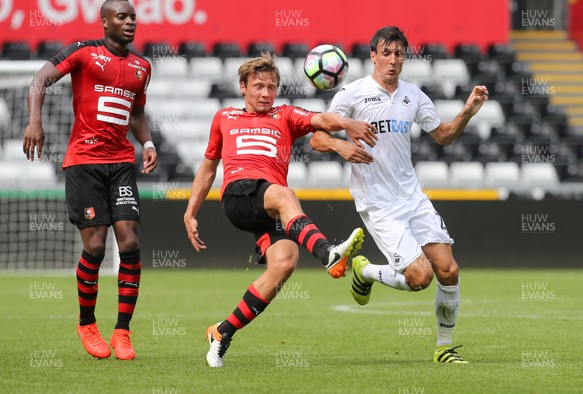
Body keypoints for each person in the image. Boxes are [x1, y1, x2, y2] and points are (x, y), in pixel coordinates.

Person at [183, 52, 378, 368]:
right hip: (238, 194)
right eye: (258, 86)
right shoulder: (224, 118)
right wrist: (191, 212)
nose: (265, 93)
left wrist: (346, 123)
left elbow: (321, 120)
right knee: (286, 194)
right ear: (243, 87)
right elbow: (207, 169)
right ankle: (328, 254)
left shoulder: (285, 115)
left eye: (271, 87)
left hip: (268, 206)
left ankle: (221, 333)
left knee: (284, 265)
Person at [310, 26, 489, 364]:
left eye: (399, 54)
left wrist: (468, 111)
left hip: (413, 198)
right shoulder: (351, 94)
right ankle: (364, 272)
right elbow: (316, 139)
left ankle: (443, 348)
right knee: (420, 277)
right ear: (373, 56)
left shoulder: (414, 96)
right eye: (386, 53)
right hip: (378, 204)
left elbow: (443, 136)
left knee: (449, 271)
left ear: (405, 58)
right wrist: (341, 146)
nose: (392, 61)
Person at [23, 0, 156, 360]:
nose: (130, 22)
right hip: (84, 164)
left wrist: (146, 141)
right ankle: (87, 323)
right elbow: (39, 80)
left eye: (133, 17)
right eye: (122, 17)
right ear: (104, 22)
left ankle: (123, 331)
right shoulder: (83, 52)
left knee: (129, 242)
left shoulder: (142, 67)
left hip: (121, 164)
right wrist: (35, 121)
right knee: (96, 247)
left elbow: (138, 112)